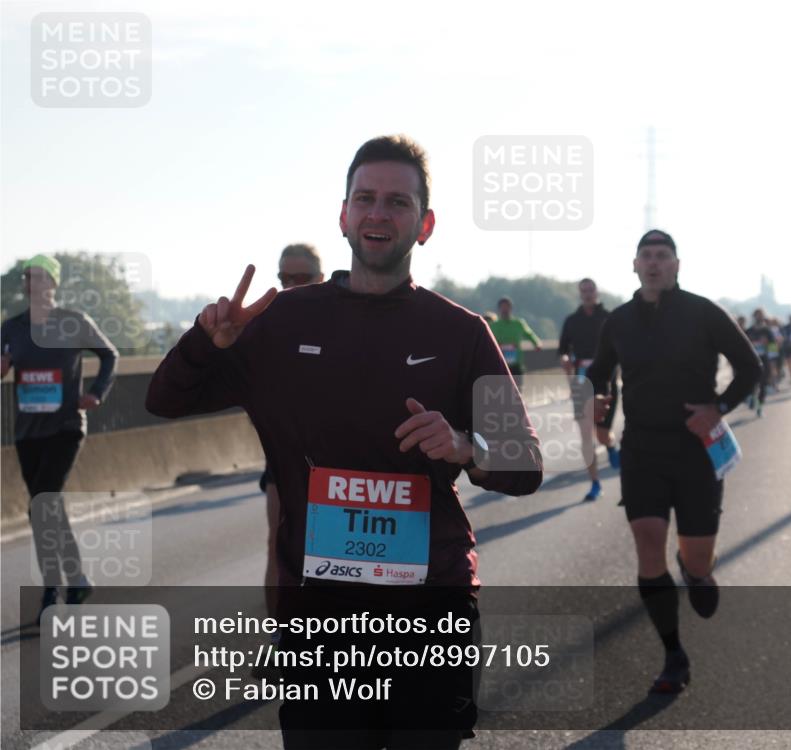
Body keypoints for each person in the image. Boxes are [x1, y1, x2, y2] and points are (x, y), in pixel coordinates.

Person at [146, 135, 543, 748]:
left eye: (397, 202)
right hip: (321, 616)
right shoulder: (279, 322)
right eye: (365, 199)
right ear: (343, 216)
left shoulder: (462, 333)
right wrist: (205, 342)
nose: (378, 213)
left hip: (430, 609)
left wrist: (467, 446)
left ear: (425, 224)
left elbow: (525, 464)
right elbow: (164, 400)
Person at [586, 230, 760, 694]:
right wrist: (602, 404)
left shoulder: (703, 313)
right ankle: (673, 656)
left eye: (663, 256)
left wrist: (717, 409)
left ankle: (695, 568)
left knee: (697, 557)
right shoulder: (619, 321)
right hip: (642, 449)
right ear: (635, 265)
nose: (655, 263)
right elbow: (600, 372)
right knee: (647, 542)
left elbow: (751, 367)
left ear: (677, 265)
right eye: (647, 256)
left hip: (696, 451)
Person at [1, 254, 119, 623]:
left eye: (41, 278)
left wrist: (96, 393)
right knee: (47, 508)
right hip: (27, 431)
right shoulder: (12, 328)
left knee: (43, 505)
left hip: (66, 427)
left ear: (53, 284)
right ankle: (78, 578)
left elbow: (110, 355)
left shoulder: (73, 322)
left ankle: (52, 593)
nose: (33, 284)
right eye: (28, 278)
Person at [253, 243, 325, 680]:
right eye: (285, 279)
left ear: (320, 277)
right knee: (278, 545)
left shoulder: (346, 318)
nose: (292, 287)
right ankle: (282, 639)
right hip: (284, 456)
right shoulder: (269, 324)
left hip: (341, 459)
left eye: (301, 279)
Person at [558, 278, 620, 501]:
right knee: (586, 436)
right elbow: (563, 350)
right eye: (583, 290)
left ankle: (611, 446)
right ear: (579, 293)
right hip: (582, 384)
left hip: (607, 384)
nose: (587, 293)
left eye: (590, 289)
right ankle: (595, 483)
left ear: (597, 291)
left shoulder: (609, 317)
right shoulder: (572, 321)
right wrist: (565, 359)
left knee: (602, 434)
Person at [488, 297, 541, 388]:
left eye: (507, 306)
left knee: (517, 389)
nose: (505, 309)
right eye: (502, 307)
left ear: (511, 308)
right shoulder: (493, 326)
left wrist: (537, 343)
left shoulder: (518, 323)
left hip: (516, 363)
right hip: (501, 363)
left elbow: (529, 334)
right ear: (499, 309)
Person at [744, 308, 775, 417]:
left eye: (761, 315)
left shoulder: (767, 331)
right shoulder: (749, 331)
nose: (759, 317)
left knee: (763, 384)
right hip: (752, 360)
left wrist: (772, 359)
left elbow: (773, 346)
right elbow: (742, 345)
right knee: (752, 383)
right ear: (754, 316)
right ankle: (752, 397)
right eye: (757, 315)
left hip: (764, 360)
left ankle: (760, 407)